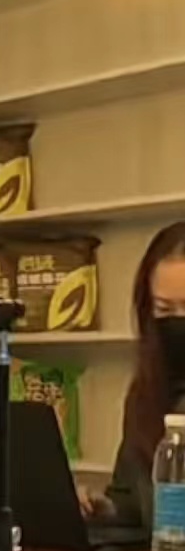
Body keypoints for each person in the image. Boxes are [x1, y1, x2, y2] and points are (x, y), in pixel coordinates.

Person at [79, 221, 185, 532]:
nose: (178, 323)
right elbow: (130, 502)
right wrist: (100, 509)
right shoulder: (148, 396)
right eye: (164, 310)